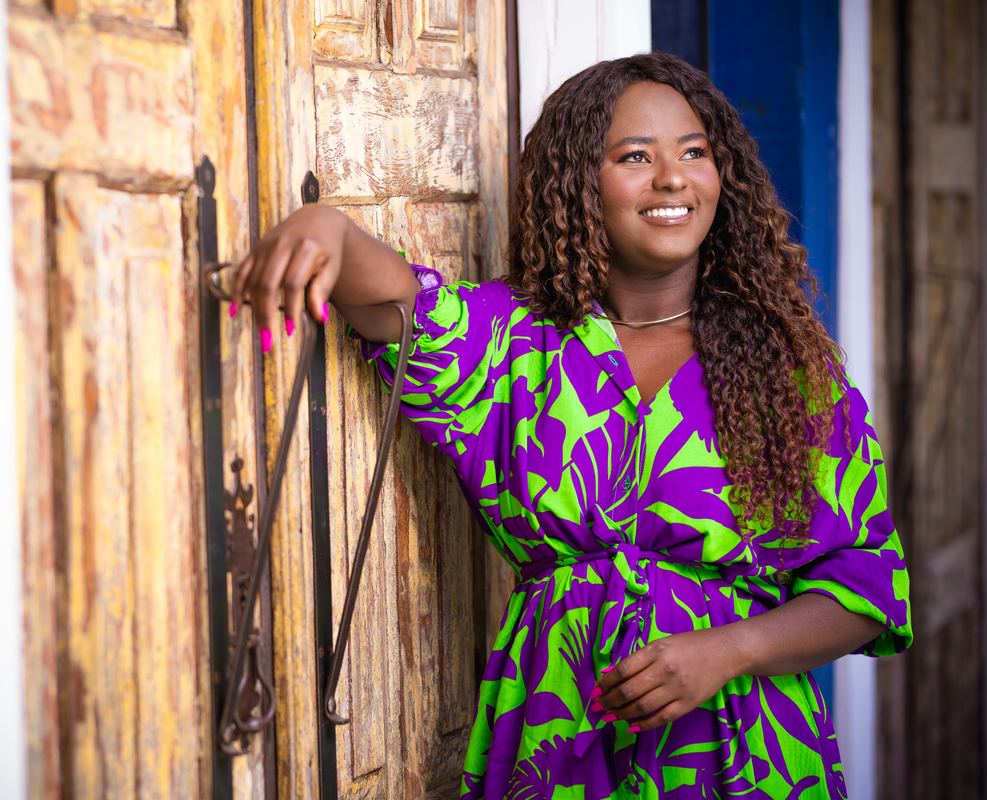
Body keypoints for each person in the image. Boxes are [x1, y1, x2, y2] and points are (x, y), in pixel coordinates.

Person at [231, 52, 911, 799]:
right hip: (556, 741)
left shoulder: (787, 372)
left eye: (694, 153)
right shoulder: (515, 342)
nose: (673, 178)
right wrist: (326, 228)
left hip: (743, 751)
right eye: (635, 157)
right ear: (580, 182)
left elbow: (866, 587)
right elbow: (392, 303)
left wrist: (728, 652)